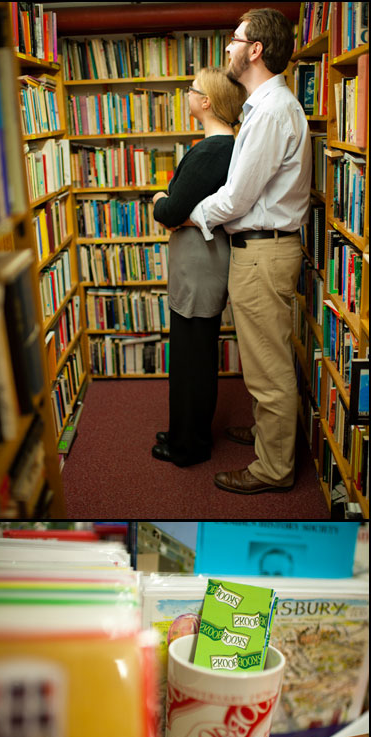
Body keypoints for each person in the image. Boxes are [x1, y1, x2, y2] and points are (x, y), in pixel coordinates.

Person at [182, 7, 312, 493]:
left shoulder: (272, 111)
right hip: (260, 250)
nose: (230, 49)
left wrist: (190, 215)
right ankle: (267, 437)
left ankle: (273, 469)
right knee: (261, 359)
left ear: (255, 49)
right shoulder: (266, 107)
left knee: (269, 367)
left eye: (235, 40)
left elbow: (238, 196)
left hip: (263, 252)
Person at [151, 67, 247, 467]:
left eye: (191, 90)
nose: (187, 94)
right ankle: (184, 432)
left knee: (191, 359)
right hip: (201, 261)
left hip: (199, 264)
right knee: (195, 354)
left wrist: (159, 197)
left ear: (206, 102)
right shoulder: (225, 147)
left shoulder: (212, 150)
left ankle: (188, 446)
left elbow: (171, 209)